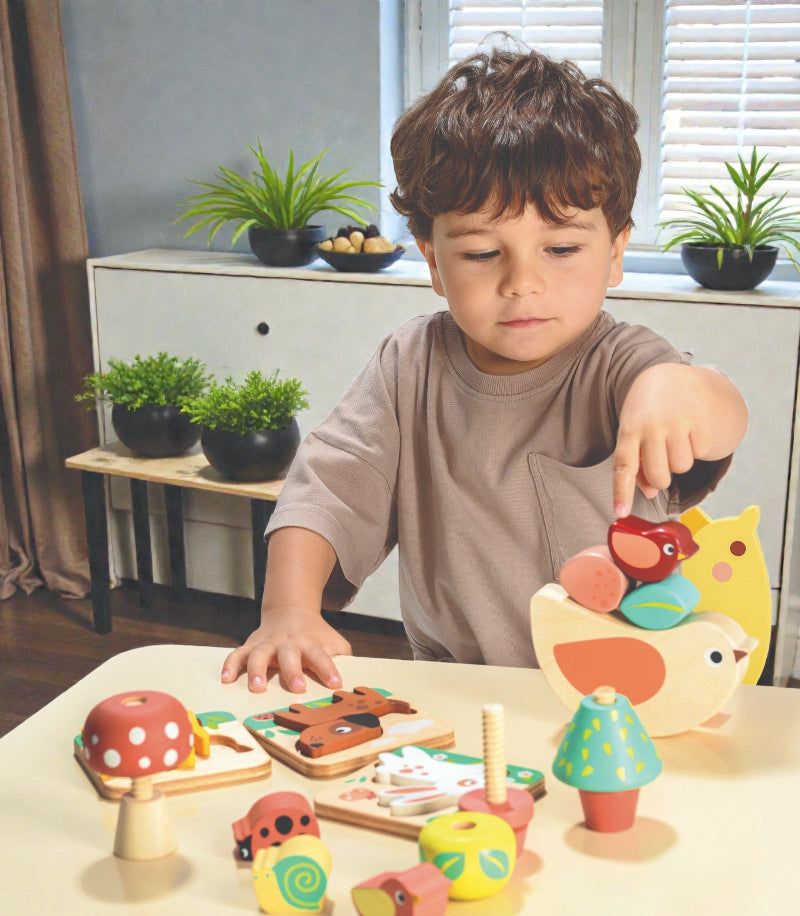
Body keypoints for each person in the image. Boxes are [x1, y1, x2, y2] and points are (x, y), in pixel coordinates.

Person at [221, 45, 748, 695]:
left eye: (560, 247)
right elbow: (328, 486)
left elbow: (722, 415)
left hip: (622, 688)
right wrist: (290, 611)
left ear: (615, 254)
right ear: (434, 262)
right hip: (457, 688)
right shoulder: (409, 365)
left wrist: (685, 388)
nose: (522, 283)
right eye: (479, 252)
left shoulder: (625, 364)